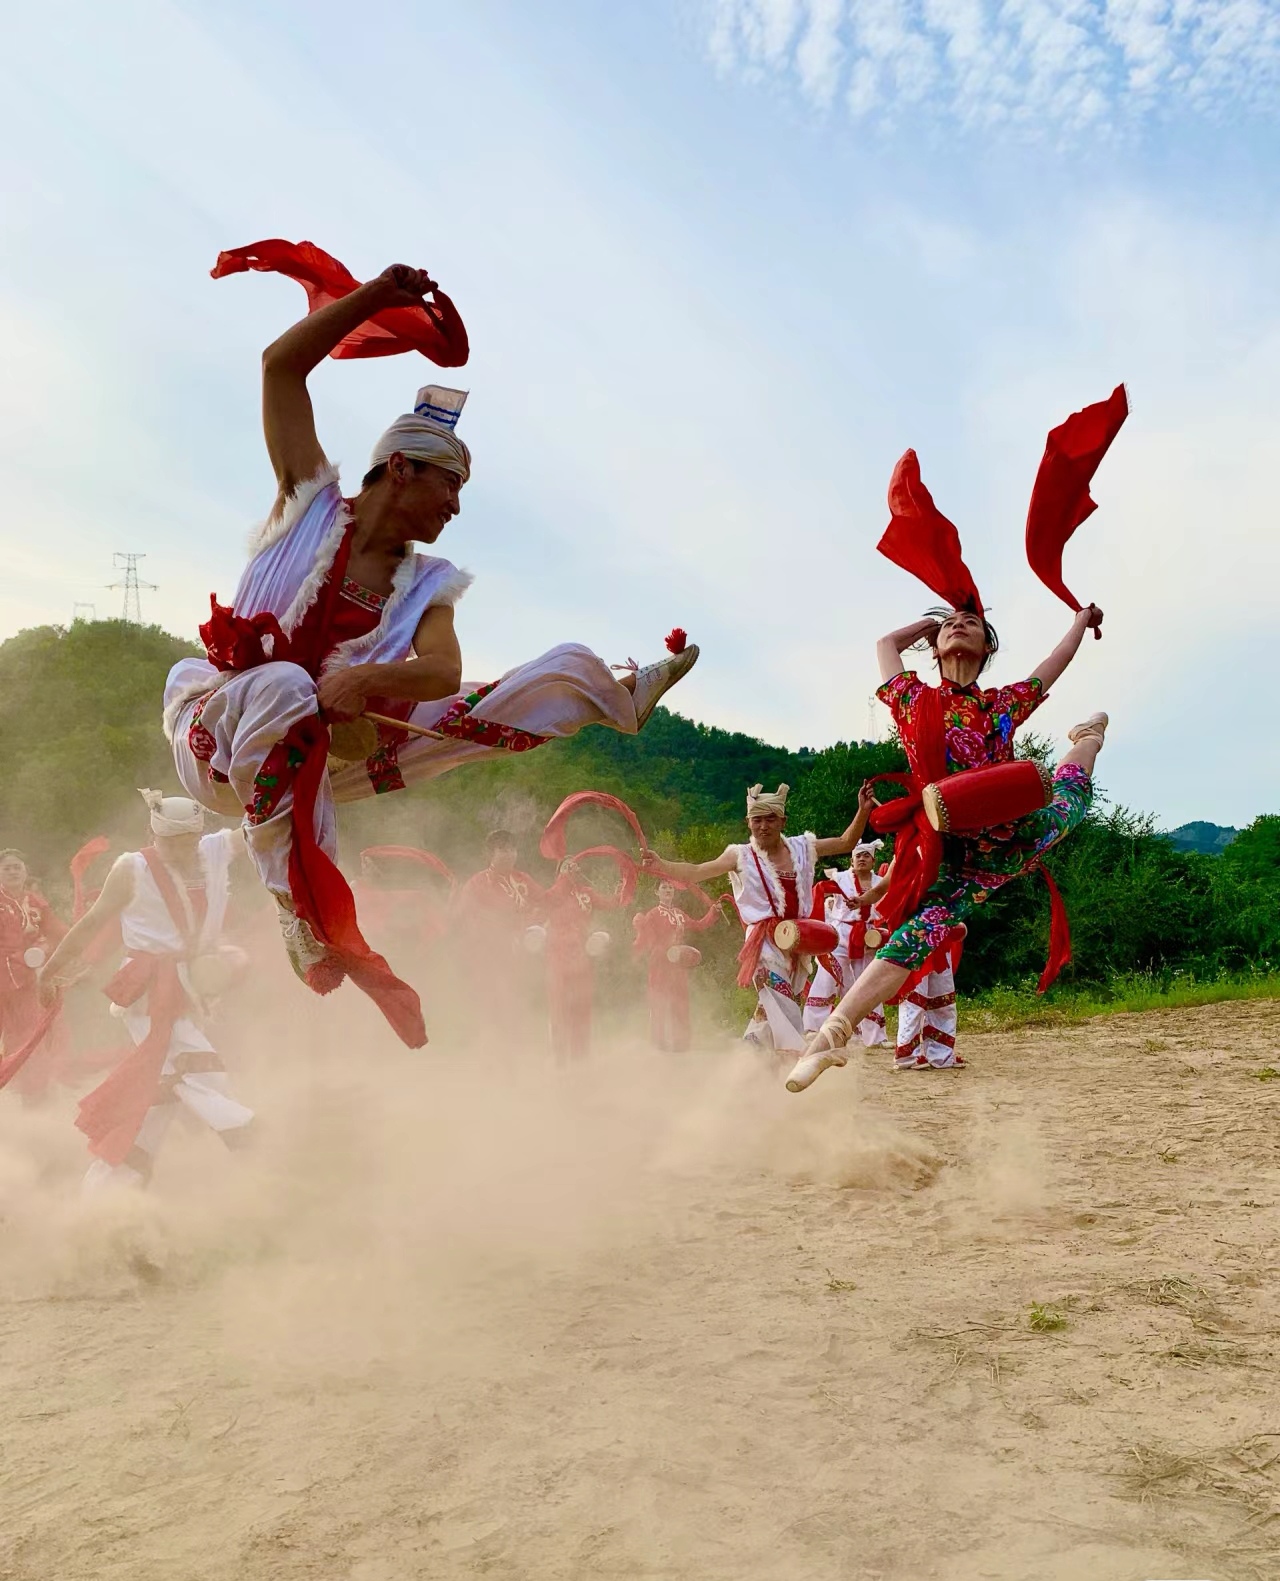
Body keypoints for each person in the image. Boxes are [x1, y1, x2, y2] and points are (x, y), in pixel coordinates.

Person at [162, 261, 698, 1045]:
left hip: (324, 758)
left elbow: (441, 672)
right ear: (401, 467)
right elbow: (281, 365)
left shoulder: (428, 581)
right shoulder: (308, 501)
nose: (455, 506)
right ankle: (300, 910)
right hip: (219, 737)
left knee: (494, 690)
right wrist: (376, 297)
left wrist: (367, 679)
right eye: (450, 486)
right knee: (280, 684)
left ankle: (611, 695)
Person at [787, 603, 1108, 1092]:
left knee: (1069, 800)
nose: (960, 625)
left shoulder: (1002, 704)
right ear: (936, 647)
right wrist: (929, 626)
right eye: (952, 624)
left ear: (987, 648)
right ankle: (830, 1037)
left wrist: (1080, 623)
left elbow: (1056, 661)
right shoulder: (912, 698)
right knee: (912, 938)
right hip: (952, 856)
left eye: (972, 624)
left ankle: (1088, 737)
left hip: (1008, 837)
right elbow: (885, 647)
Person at [38, 792, 254, 1190]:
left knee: (161, 1096)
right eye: (172, 842)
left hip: (190, 988)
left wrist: (304, 775)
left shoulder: (212, 851)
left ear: (197, 834)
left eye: (188, 840)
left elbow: (258, 829)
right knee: (200, 1068)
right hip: (148, 990)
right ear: (153, 835)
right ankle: (246, 1135)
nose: (181, 849)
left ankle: (106, 1190)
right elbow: (91, 923)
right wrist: (49, 971)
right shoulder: (130, 868)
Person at [641, 782, 877, 1055]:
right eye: (757, 820)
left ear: (782, 821)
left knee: (768, 1011)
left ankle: (747, 1062)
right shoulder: (739, 855)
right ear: (748, 823)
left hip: (797, 940)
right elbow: (696, 871)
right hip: (762, 942)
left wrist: (863, 810)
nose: (763, 826)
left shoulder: (803, 847)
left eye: (770, 819)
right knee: (782, 1001)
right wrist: (663, 865)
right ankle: (795, 1058)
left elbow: (845, 842)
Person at [803, 838, 892, 1047]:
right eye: (858, 856)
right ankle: (813, 1027)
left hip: (868, 937)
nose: (862, 859)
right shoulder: (840, 878)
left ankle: (875, 1037)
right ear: (852, 861)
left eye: (866, 856)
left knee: (869, 982)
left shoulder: (881, 883)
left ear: (873, 860)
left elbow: (888, 909)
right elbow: (818, 891)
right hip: (840, 934)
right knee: (828, 976)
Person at [544, 855, 630, 1063]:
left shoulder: (587, 893)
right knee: (559, 1005)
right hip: (557, 955)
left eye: (575, 864)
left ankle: (580, 1055)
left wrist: (622, 890)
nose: (573, 866)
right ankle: (559, 1055)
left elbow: (611, 903)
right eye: (566, 864)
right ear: (559, 872)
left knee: (582, 1005)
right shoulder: (554, 893)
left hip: (582, 956)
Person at [0, 849, 68, 1097]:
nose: (12, 871)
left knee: (30, 1037)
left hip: (27, 983)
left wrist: (49, 947)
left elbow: (57, 932)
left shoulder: (36, 903)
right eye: (6, 867)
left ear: (25, 871)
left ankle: (32, 1093)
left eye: (17, 866)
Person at [631, 878, 720, 1053]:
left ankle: (681, 1045)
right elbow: (647, 940)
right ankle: (658, 1046)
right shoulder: (653, 914)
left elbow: (699, 925)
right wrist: (640, 925)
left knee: (680, 1003)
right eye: (664, 887)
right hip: (660, 963)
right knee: (659, 1004)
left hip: (677, 964)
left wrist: (713, 912)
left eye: (670, 887)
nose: (668, 890)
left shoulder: (679, 913)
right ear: (657, 892)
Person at [894, 942, 961, 1070]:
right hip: (915, 940)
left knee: (943, 999)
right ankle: (907, 1055)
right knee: (914, 999)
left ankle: (942, 1054)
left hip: (941, 940)